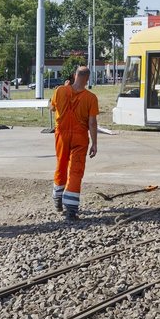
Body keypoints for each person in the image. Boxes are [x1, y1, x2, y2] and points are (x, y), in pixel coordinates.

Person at [50, 66, 99, 221]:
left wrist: (65, 88)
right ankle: (71, 210)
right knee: (76, 171)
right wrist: (94, 143)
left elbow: (51, 108)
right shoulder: (91, 98)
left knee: (61, 165)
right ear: (88, 79)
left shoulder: (60, 91)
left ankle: (58, 198)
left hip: (62, 135)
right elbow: (92, 122)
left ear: (74, 75)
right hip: (80, 137)